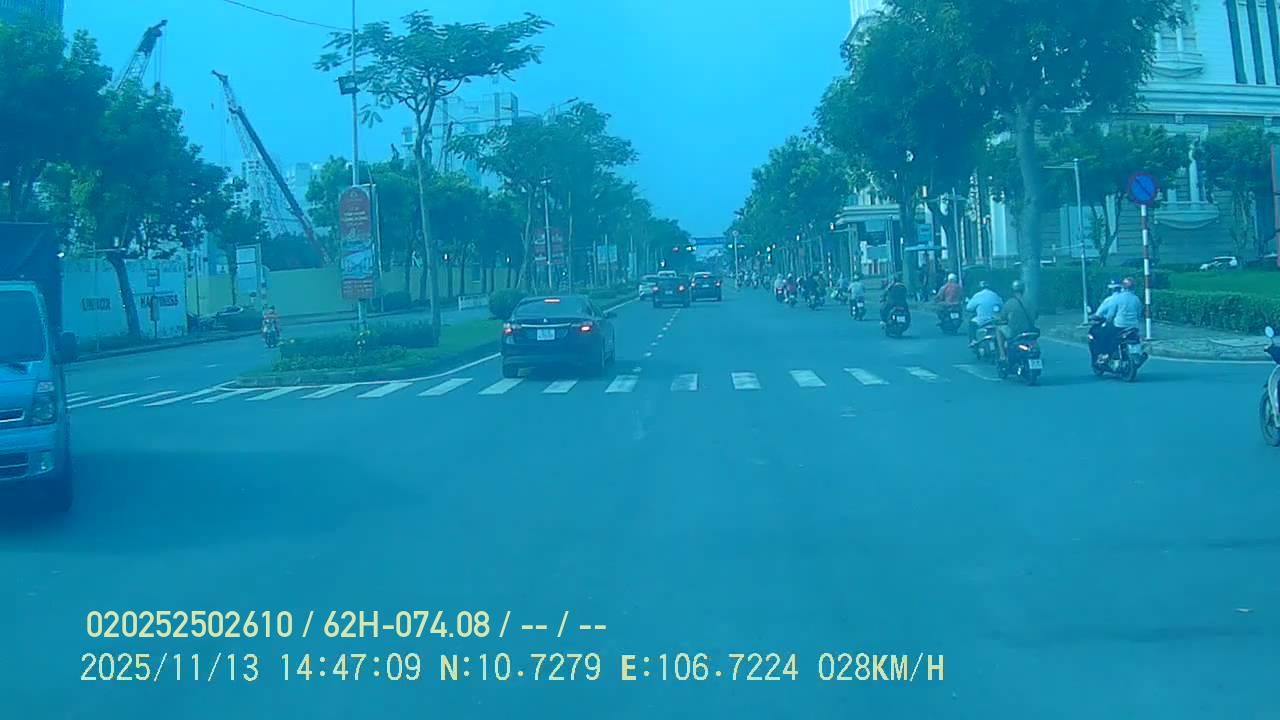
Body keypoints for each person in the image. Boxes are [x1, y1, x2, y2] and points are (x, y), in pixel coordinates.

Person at [1090, 277, 1143, 363]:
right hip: (1133, 326)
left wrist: (1108, 323)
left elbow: (1111, 314)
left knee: (1105, 336)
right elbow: (1138, 314)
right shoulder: (1136, 299)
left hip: (1119, 325)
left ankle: (1105, 355)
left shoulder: (1118, 298)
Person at [997, 280, 1037, 361]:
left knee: (998, 330)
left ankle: (1002, 354)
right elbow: (1036, 315)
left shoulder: (1010, 302)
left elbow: (1002, 317)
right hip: (1029, 330)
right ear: (1023, 289)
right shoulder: (1030, 302)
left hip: (1014, 332)